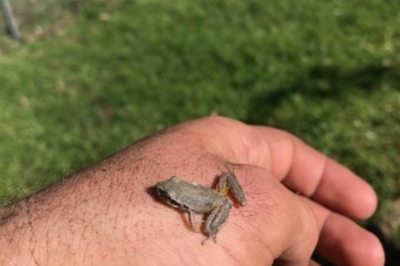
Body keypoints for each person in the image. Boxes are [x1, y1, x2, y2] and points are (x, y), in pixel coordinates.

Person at [0, 116, 384, 266]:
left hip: (211, 203)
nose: (162, 195)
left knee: (202, 228)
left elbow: (186, 211)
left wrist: (197, 219)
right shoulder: (175, 187)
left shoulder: (180, 203)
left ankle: (216, 229)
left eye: (165, 194)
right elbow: (177, 187)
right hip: (208, 190)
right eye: (167, 192)